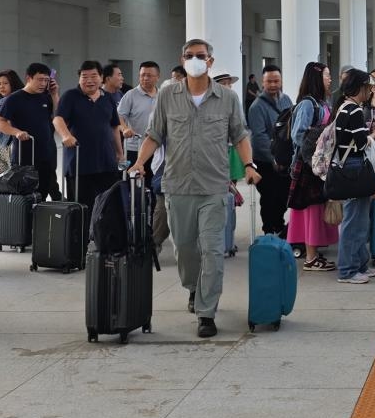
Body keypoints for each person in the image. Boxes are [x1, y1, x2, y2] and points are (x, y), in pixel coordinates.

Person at [134, 39, 258, 338]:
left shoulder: (227, 98)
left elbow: (240, 135)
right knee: (186, 249)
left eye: (200, 56)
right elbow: (154, 134)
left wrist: (250, 166)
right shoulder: (167, 95)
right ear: (182, 58)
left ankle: (207, 311)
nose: (194, 60)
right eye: (189, 56)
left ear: (210, 61)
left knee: (213, 250)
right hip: (177, 186)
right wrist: (139, 163)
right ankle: (193, 288)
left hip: (215, 185)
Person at [286, 62, 338, 272]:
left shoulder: (323, 103)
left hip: (318, 165)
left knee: (316, 210)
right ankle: (310, 257)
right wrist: (321, 140)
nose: (330, 79)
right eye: (327, 75)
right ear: (317, 78)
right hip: (309, 167)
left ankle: (313, 253)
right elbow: (297, 135)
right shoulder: (308, 105)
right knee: (311, 211)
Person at [53, 60, 125, 209]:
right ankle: (81, 233)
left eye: (93, 76)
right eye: (84, 77)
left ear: (101, 77)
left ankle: (102, 233)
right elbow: (58, 119)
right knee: (82, 208)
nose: (89, 80)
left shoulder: (108, 98)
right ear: (79, 79)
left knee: (107, 207)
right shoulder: (70, 96)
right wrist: (66, 136)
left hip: (106, 163)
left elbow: (114, 127)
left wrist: (119, 153)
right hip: (79, 164)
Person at [335, 69, 375, 284]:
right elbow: (361, 143)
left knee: (359, 219)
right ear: (360, 87)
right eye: (368, 87)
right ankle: (347, 270)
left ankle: (359, 264)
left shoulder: (344, 107)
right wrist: (374, 135)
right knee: (354, 221)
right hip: (353, 168)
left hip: (349, 166)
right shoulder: (354, 111)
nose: (370, 91)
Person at [0, 62, 61, 201]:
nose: (43, 84)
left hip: (47, 154)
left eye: (46, 80)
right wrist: (16, 132)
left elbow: (59, 117)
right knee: (26, 197)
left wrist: (55, 95)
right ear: (29, 78)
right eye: (39, 80)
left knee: (43, 195)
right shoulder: (14, 99)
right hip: (24, 156)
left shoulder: (46, 97)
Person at [246, 64, 293, 235]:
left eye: (276, 81)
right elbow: (259, 137)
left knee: (283, 196)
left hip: (284, 161)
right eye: (269, 81)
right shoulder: (256, 107)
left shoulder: (287, 100)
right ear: (262, 82)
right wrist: (275, 158)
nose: (273, 84)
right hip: (266, 162)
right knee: (269, 199)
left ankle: (279, 227)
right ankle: (269, 231)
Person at [0, 69, 24, 206]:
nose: (1, 86)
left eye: (5, 83)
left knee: (12, 187)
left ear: (13, 84)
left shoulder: (19, 100)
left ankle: (12, 219)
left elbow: (18, 123)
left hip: (12, 146)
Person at [117, 62, 160, 176]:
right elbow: (119, 116)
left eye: (149, 75)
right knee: (134, 185)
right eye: (142, 75)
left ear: (158, 77)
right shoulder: (130, 95)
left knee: (154, 184)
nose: (145, 78)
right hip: (134, 148)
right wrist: (125, 128)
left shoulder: (162, 95)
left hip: (157, 150)